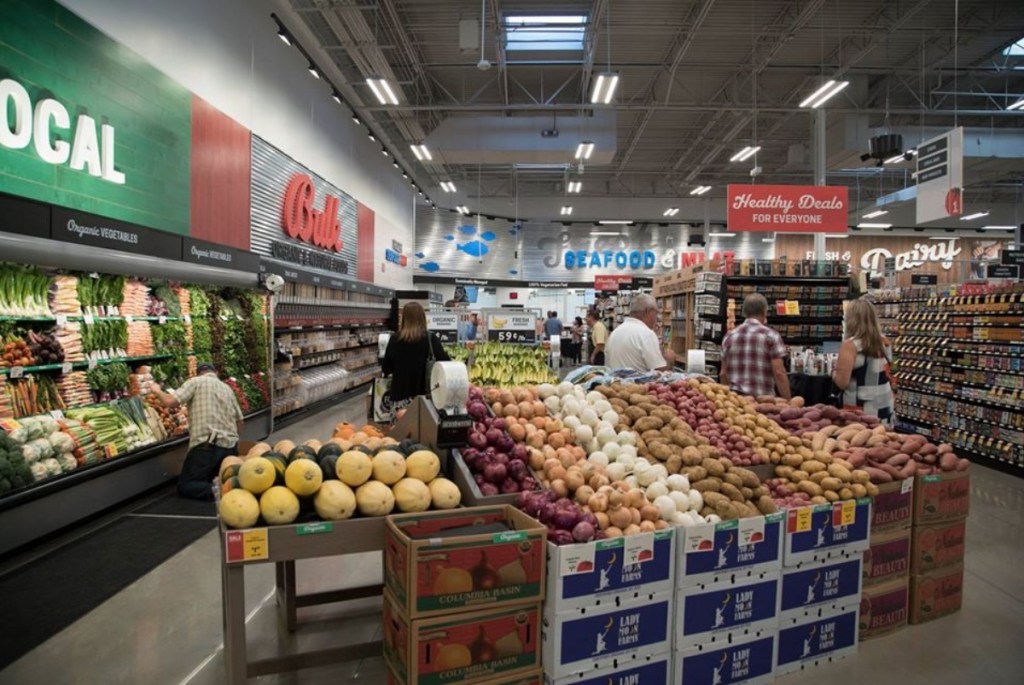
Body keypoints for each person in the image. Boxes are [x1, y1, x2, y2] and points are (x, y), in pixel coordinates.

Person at [150, 363, 244, 500]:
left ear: (198, 373)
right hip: (230, 448)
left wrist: (157, 390)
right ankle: (231, 487)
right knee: (216, 476)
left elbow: (170, 402)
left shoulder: (195, 382)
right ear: (215, 373)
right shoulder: (227, 388)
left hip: (207, 447)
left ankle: (222, 491)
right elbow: (240, 423)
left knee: (187, 486)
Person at [832, 298, 894, 425]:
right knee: (883, 441)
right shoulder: (884, 341)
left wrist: (833, 372)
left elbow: (842, 383)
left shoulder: (850, 345)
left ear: (851, 319)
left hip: (859, 410)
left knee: (859, 442)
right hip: (884, 405)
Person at [720, 293, 791, 399]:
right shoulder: (771, 336)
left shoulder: (729, 336)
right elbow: (779, 372)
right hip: (763, 403)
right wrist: (788, 402)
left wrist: (729, 399)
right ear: (764, 312)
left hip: (737, 403)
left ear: (744, 312)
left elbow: (723, 374)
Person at [382, 302, 451, 403]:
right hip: (426, 398)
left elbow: (386, 368)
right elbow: (445, 363)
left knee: (402, 418)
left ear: (404, 319)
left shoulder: (395, 339)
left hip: (400, 396)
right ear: (423, 318)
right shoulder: (430, 339)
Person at [605, 294, 676, 371]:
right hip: (638, 382)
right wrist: (670, 360)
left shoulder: (616, 332)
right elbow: (660, 372)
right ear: (648, 312)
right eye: (656, 313)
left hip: (615, 382)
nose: (657, 318)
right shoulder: (646, 334)